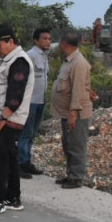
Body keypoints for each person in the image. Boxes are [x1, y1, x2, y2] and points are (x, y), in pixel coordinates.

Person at [0, 25, 34, 215]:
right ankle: (13, 197)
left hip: (7, 120)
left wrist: (2, 118)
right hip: (2, 118)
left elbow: (15, 95)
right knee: (10, 160)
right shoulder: (8, 60)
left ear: (10, 41)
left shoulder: (19, 62)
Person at [52, 29, 94, 189]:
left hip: (76, 113)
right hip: (66, 111)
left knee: (76, 145)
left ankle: (76, 178)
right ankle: (70, 174)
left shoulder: (78, 63)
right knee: (68, 143)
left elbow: (77, 90)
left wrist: (73, 113)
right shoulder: (70, 61)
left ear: (63, 44)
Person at [16, 27, 52, 177]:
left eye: (49, 39)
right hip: (30, 101)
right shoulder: (29, 55)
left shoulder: (44, 56)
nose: (48, 42)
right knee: (25, 133)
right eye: (44, 38)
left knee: (32, 133)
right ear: (36, 40)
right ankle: (19, 164)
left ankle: (26, 161)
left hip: (40, 100)